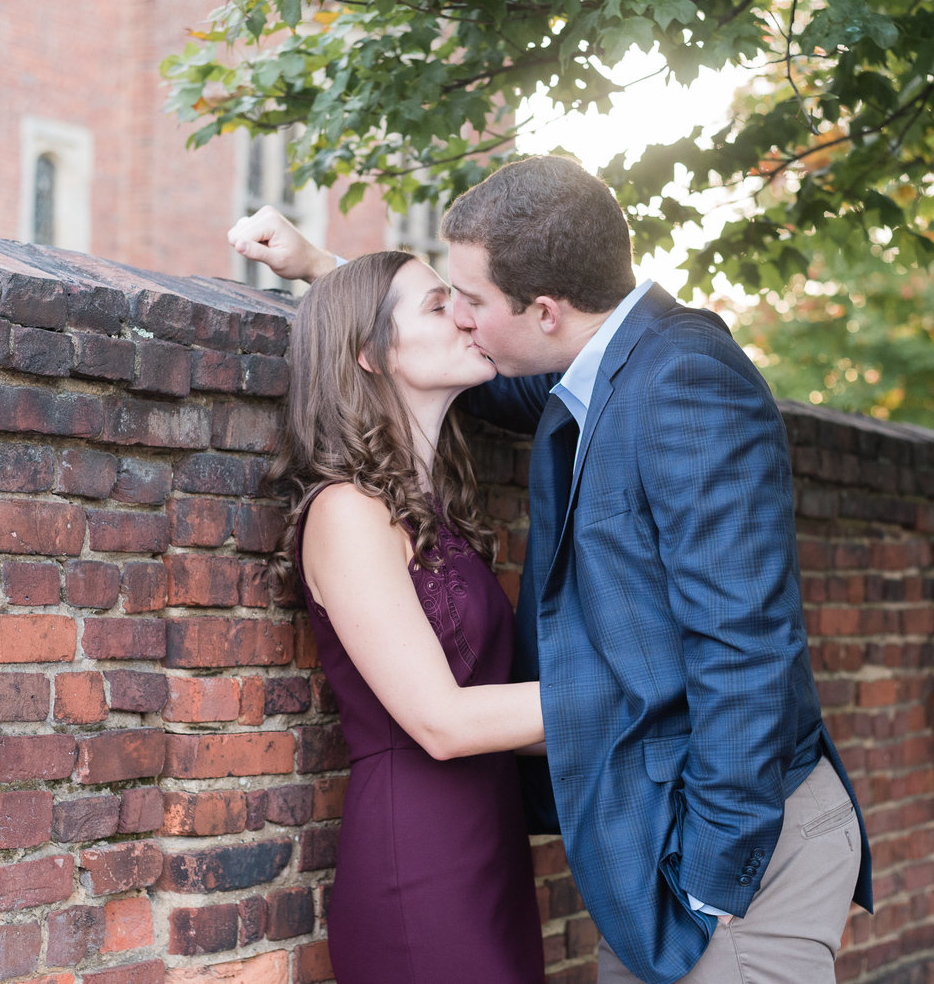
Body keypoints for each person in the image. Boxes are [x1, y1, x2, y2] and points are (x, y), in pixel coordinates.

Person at [232, 155, 873, 984]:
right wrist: (328, 276)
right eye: (444, 302)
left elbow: (747, 642)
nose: (464, 321)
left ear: (543, 310)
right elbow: (462, 373)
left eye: (470, 301)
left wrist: (708, 885)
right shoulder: (599, 377)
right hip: (638, 845)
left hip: (737, 844)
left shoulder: (682, 380)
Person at [269, 249, 547, 984]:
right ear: (369, 352)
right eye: (436, 305)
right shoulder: (346, 512)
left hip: (492, 843)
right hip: (419, 860)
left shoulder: (436, 511)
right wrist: (643, 692)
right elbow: (442, 720)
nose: (464, 313)